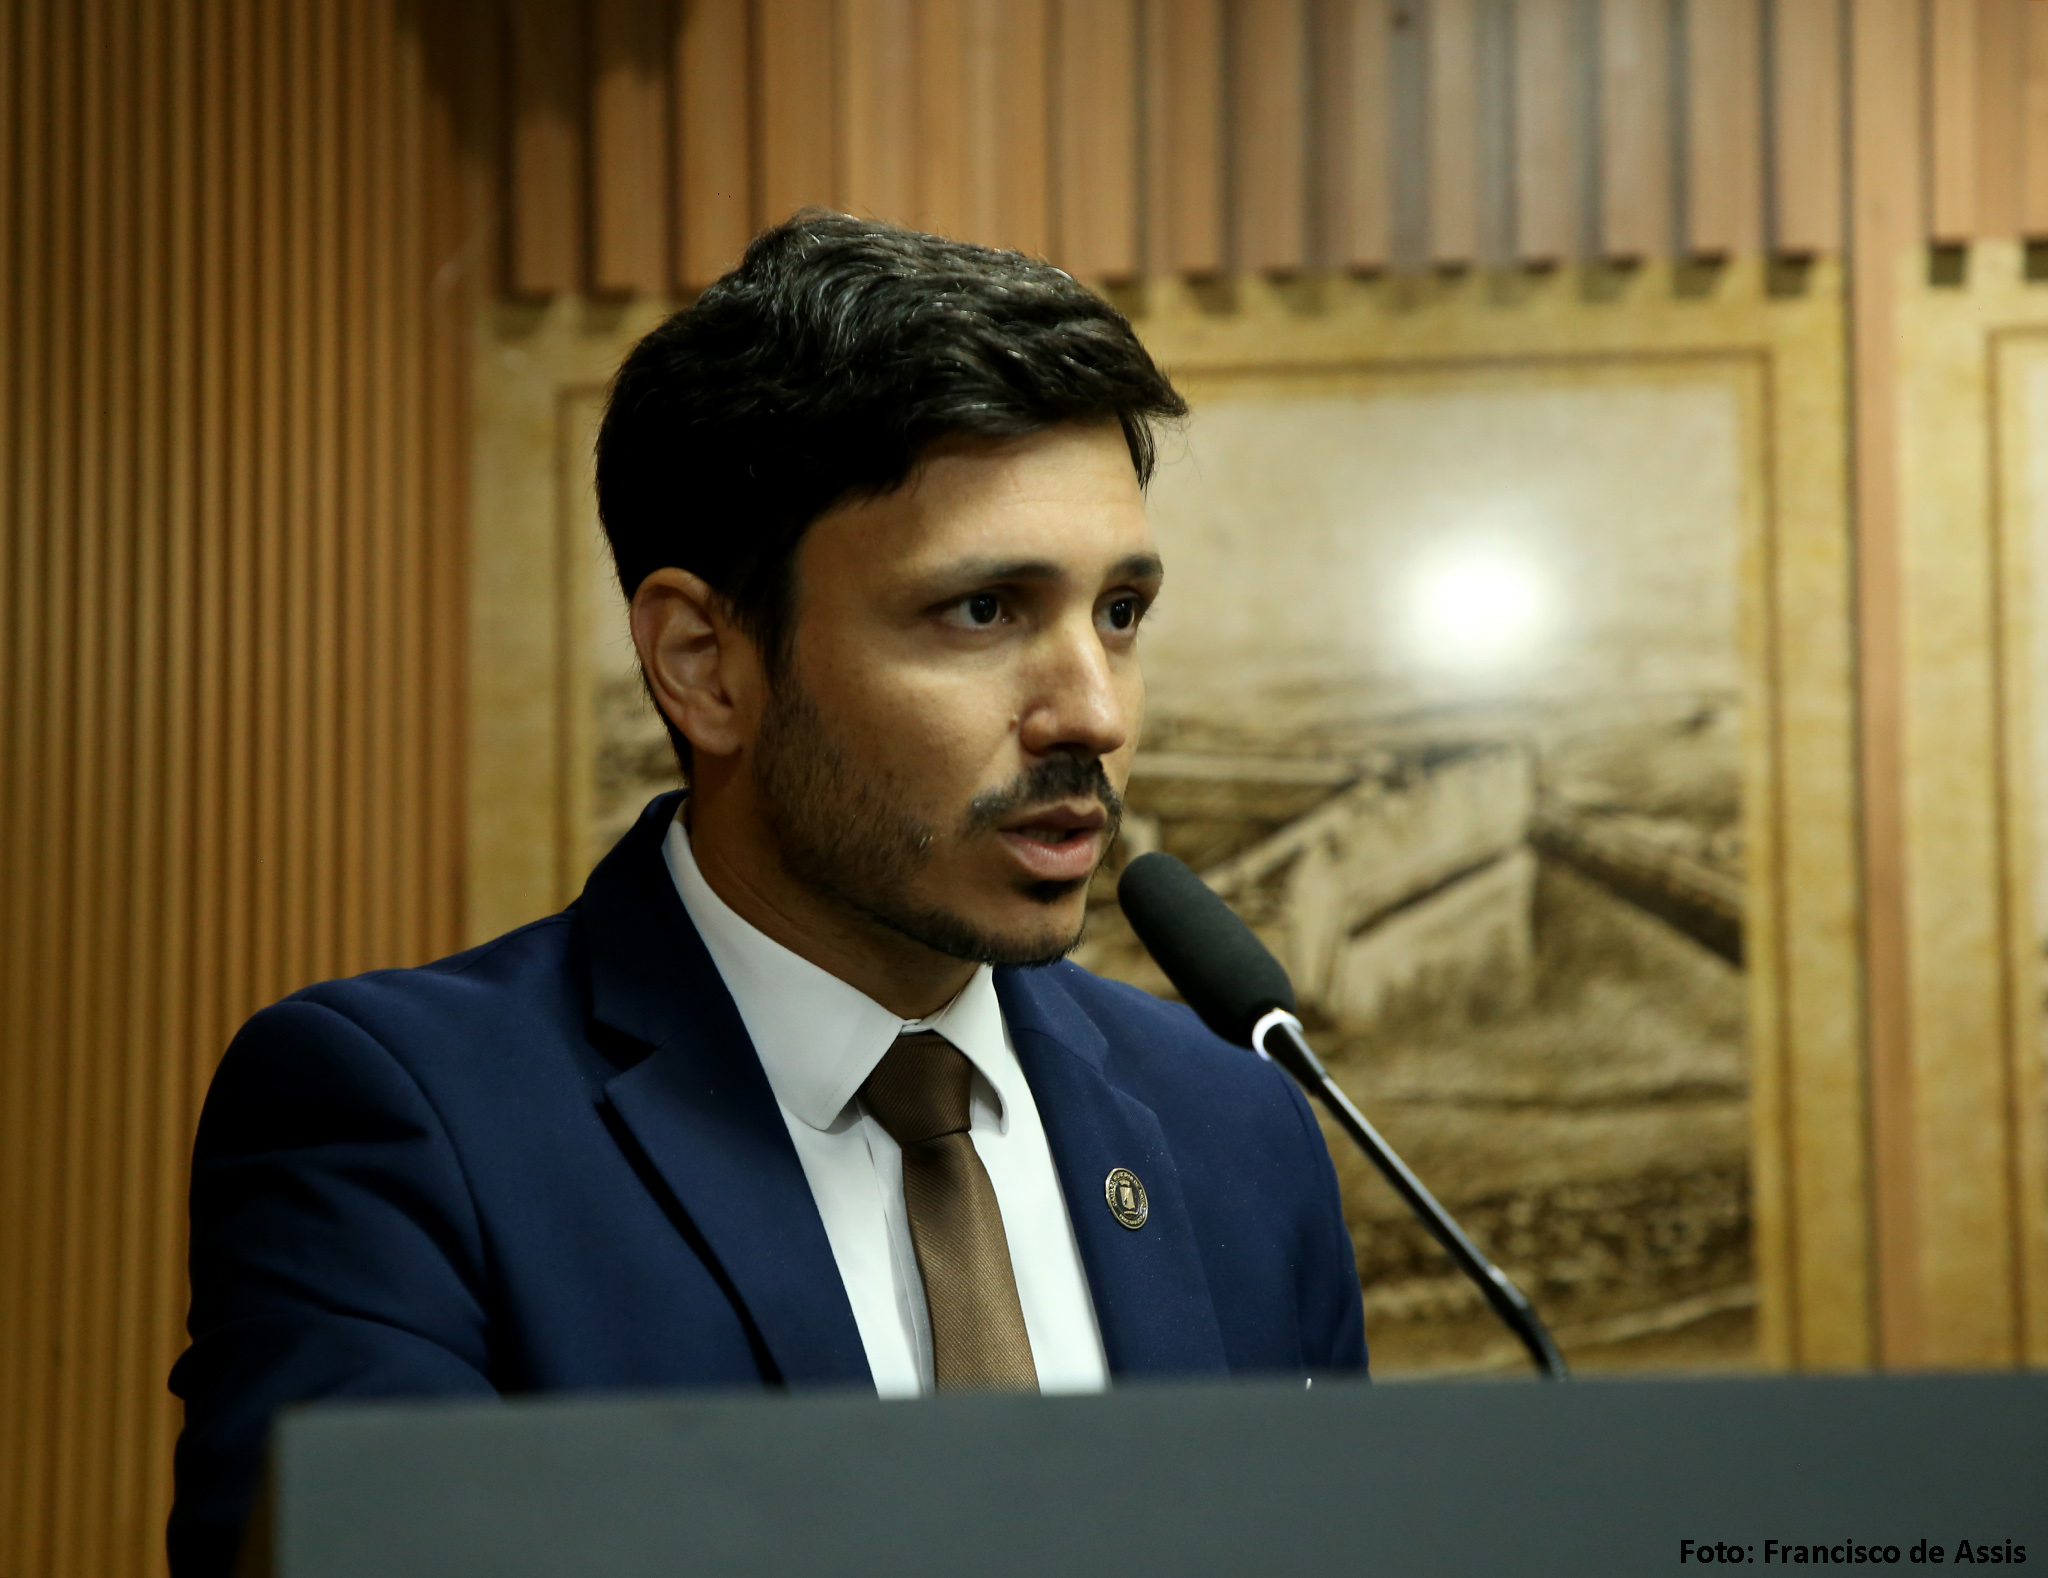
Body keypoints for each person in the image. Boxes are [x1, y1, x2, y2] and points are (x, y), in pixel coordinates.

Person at [168, 210, 1366, 1576]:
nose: (1094, 711)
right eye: (982, 612)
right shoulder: (406, 1123)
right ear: (705, 665)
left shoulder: (1236, 1126)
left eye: (1120, 613)